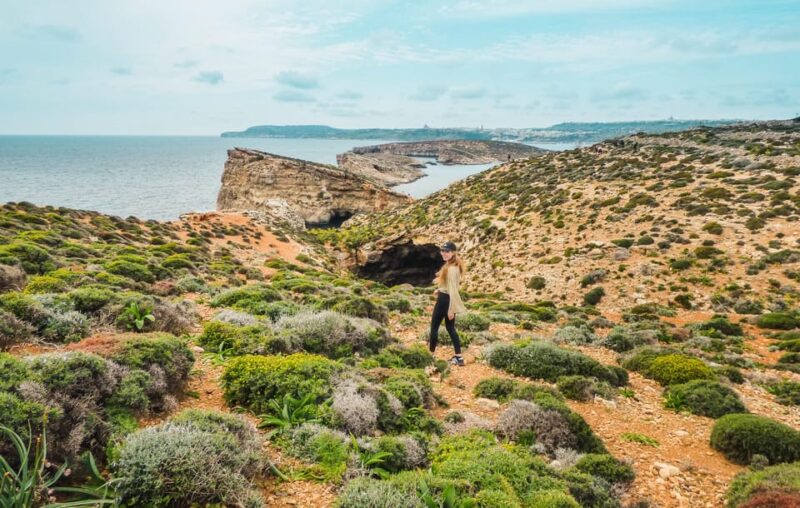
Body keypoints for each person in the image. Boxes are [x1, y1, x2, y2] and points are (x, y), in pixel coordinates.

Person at [429, 241, 467, 366]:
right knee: (450, 328)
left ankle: (430, 355)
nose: (444, 253)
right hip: (446, 298)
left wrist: (451, 309)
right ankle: (459, 357)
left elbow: (453, 290)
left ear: (453, 252)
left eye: (447, 251)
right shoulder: (453, 266)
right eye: (442, 251)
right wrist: (439, 290)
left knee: (434, 328)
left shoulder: (451, 269)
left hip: (445, 301)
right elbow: (450, 286)